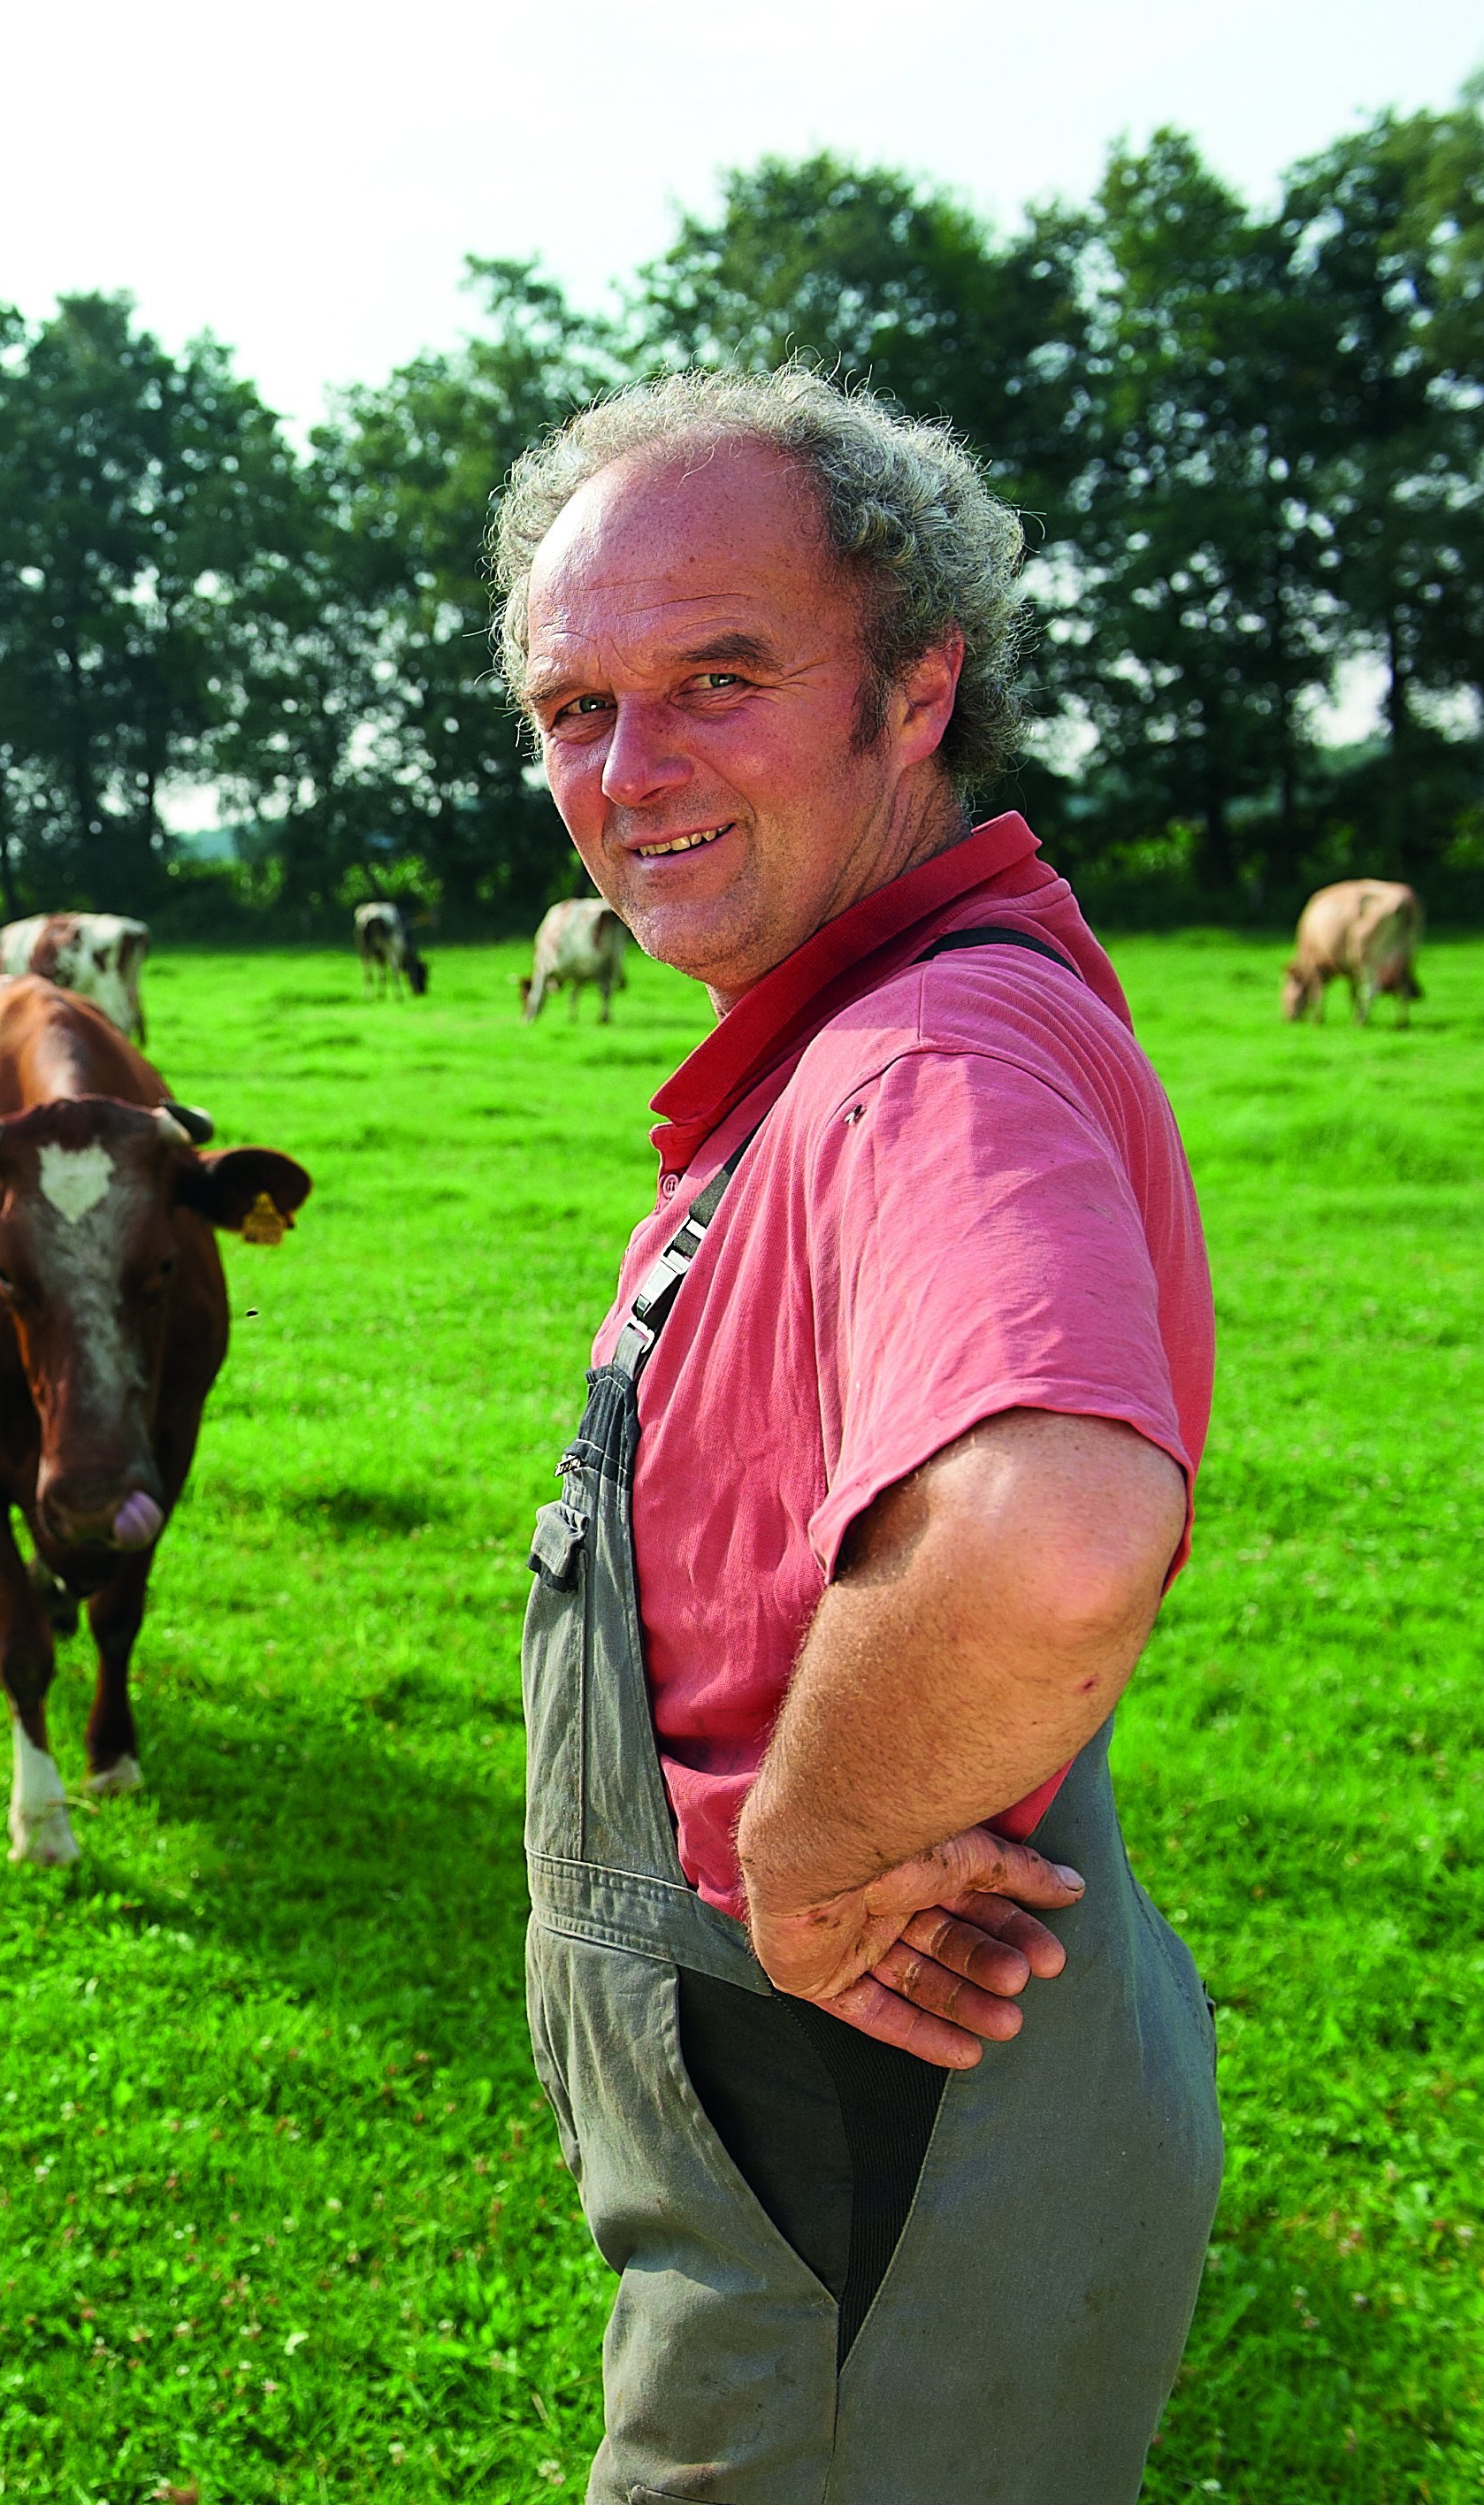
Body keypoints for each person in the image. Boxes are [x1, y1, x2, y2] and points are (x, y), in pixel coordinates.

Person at [493, 371, 1220, 2501]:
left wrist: (805, 1862)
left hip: (867, 2158)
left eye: (721, 677)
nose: (636, 773)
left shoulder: (925, 1058)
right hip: (841, 2178)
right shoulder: (849, 1034)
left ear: (919, 688)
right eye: (575, 711)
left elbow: (1047, 1527)